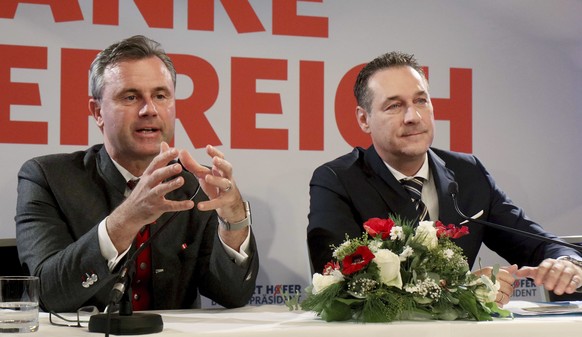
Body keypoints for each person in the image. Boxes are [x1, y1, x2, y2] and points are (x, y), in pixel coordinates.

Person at [307, 51, 582, 306]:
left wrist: (565, 262)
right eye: (394, 106)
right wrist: (461, 289)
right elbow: (336, 281)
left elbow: (536, 242)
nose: (413, 117)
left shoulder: (468, 172)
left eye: (420, 101)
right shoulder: (337, 180)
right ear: (364, 119)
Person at [15, 35, 258, 313]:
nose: (149, 110)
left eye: (160, 95)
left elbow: (234, 295)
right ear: (97, 112)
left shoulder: (195, 184)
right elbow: (49, 294)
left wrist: (235, 219)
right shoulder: (47, 178)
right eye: (131, 97)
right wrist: (129, 216)